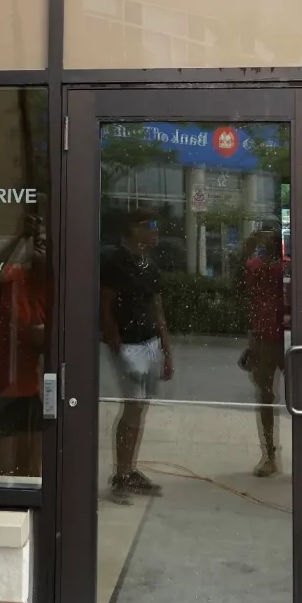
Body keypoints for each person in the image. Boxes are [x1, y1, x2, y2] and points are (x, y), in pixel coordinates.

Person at [100, 208, 173, 503]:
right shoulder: (114, 262)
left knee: (139, 407)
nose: (155, 231)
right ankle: (121, 475)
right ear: (132, 229)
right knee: (132, 406)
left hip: (150, 342)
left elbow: (157, 310)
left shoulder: (149, 265)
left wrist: (167, 351)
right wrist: (116, 342)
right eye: (150, 225)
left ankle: (129, 470)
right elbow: (103, 305)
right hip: (127, 344)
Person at [0, 214, 49, 478]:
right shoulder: (14, 276)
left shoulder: (58, 289)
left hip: (31, 390)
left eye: (49, 244)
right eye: (39, 242)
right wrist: (19, 237)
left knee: (30, 472)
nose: (42, 248)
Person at [238, 226, 290, 477]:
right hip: (263, 339)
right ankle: (269, 455)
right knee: (265, 396)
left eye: (272, 235)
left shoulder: (288, 266)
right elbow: (240, 288)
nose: (268, 239)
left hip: (291, 339)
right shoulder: (254, 267)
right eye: (264, 234)